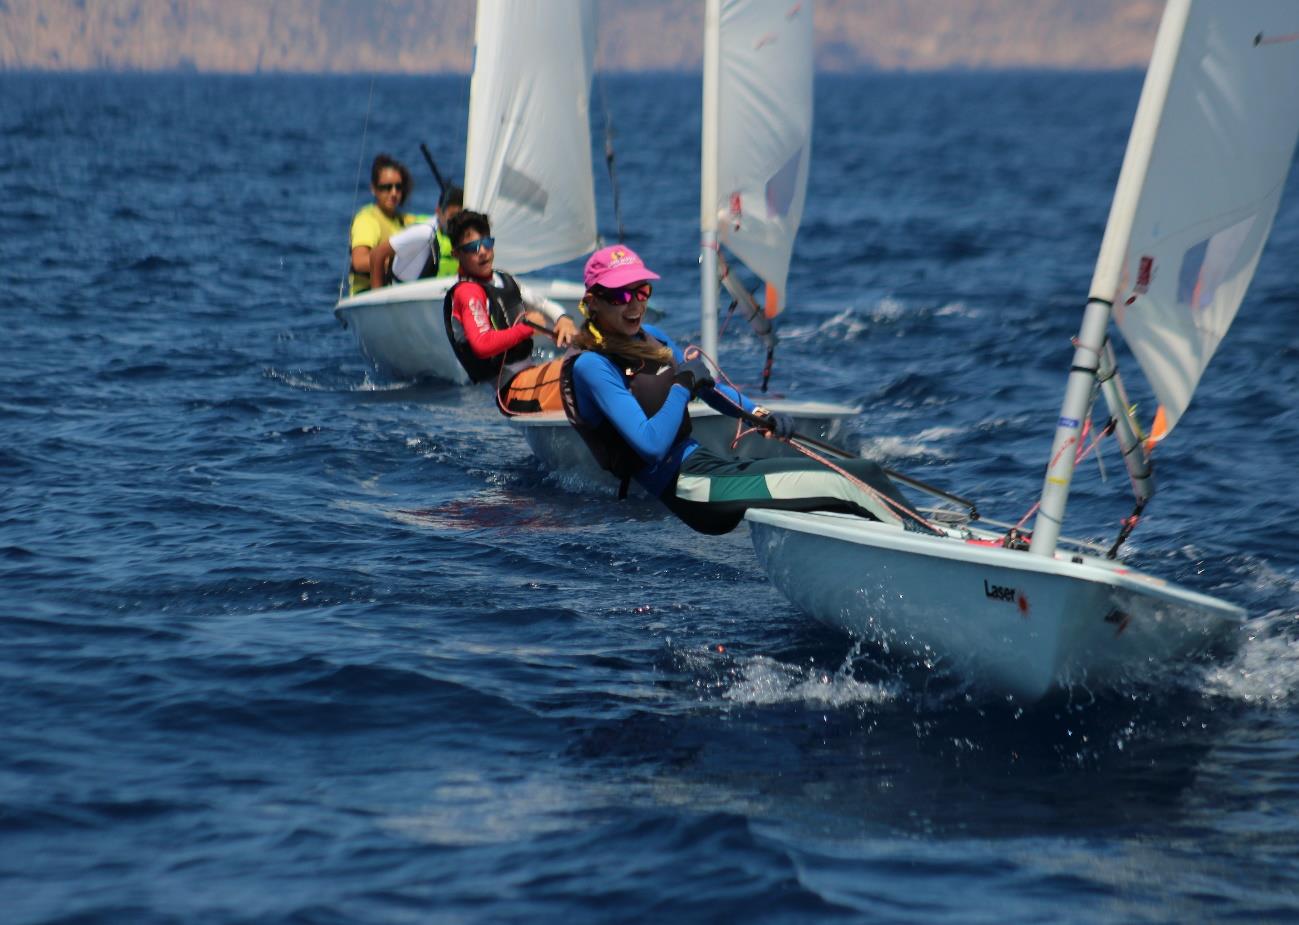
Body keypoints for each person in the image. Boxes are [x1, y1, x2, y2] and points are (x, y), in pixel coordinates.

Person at [559, 245, 927, 534]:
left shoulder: (652, 337)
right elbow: (651, 445)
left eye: (642, 290)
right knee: (844, 483)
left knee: (864, 471)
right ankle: (926, 540)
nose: (635, 304)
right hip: (692, 489)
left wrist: (759, 415)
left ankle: (919, 531)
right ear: (592, 302)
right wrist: (683, 384)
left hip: (709, 466)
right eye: (620, 296)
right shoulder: (593, 366)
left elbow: (711, 388)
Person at [443, 210, 577, 409]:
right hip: (511, 390)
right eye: (472, 247)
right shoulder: (468, 293)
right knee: (582, 370)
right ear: (456, 254)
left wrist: (563, 319)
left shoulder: (503, 279)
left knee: (589, 359)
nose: (482, 251)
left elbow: (542, 304)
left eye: (487, 243)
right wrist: (528, 329)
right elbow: (482, 344)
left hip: (529, 376)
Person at [348, 154, 420, 296]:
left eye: (398, 187)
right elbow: (359, 261)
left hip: (397, 292)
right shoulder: (367, 219)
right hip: (367, 295)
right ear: (373, 189)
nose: (393, 193)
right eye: (386, 187)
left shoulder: (407, 220)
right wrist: (401, 264)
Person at [367, 185, 464, 288]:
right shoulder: (425, 233)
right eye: (452, 216)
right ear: (438, 212)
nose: (457, 222)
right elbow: (376, 254)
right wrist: (378, 297)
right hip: (400, 295)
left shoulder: (462, 235)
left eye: (461, 217)